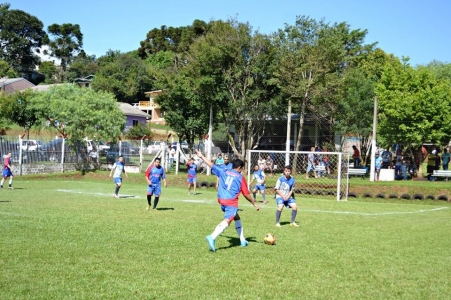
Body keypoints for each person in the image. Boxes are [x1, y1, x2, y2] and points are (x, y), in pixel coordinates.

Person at [195, 149, 260, 252]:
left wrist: (201, 156)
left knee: (236, 216)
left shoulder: (223, 171)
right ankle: (212, 237)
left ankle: (242, 240)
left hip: (222, 200)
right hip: (231, 202)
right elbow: (246, 194)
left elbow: (211, 164)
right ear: (239, 168)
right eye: (242, 169)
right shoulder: (240, 178)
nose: (242, 171)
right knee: (227, 221)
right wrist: (254, 203)